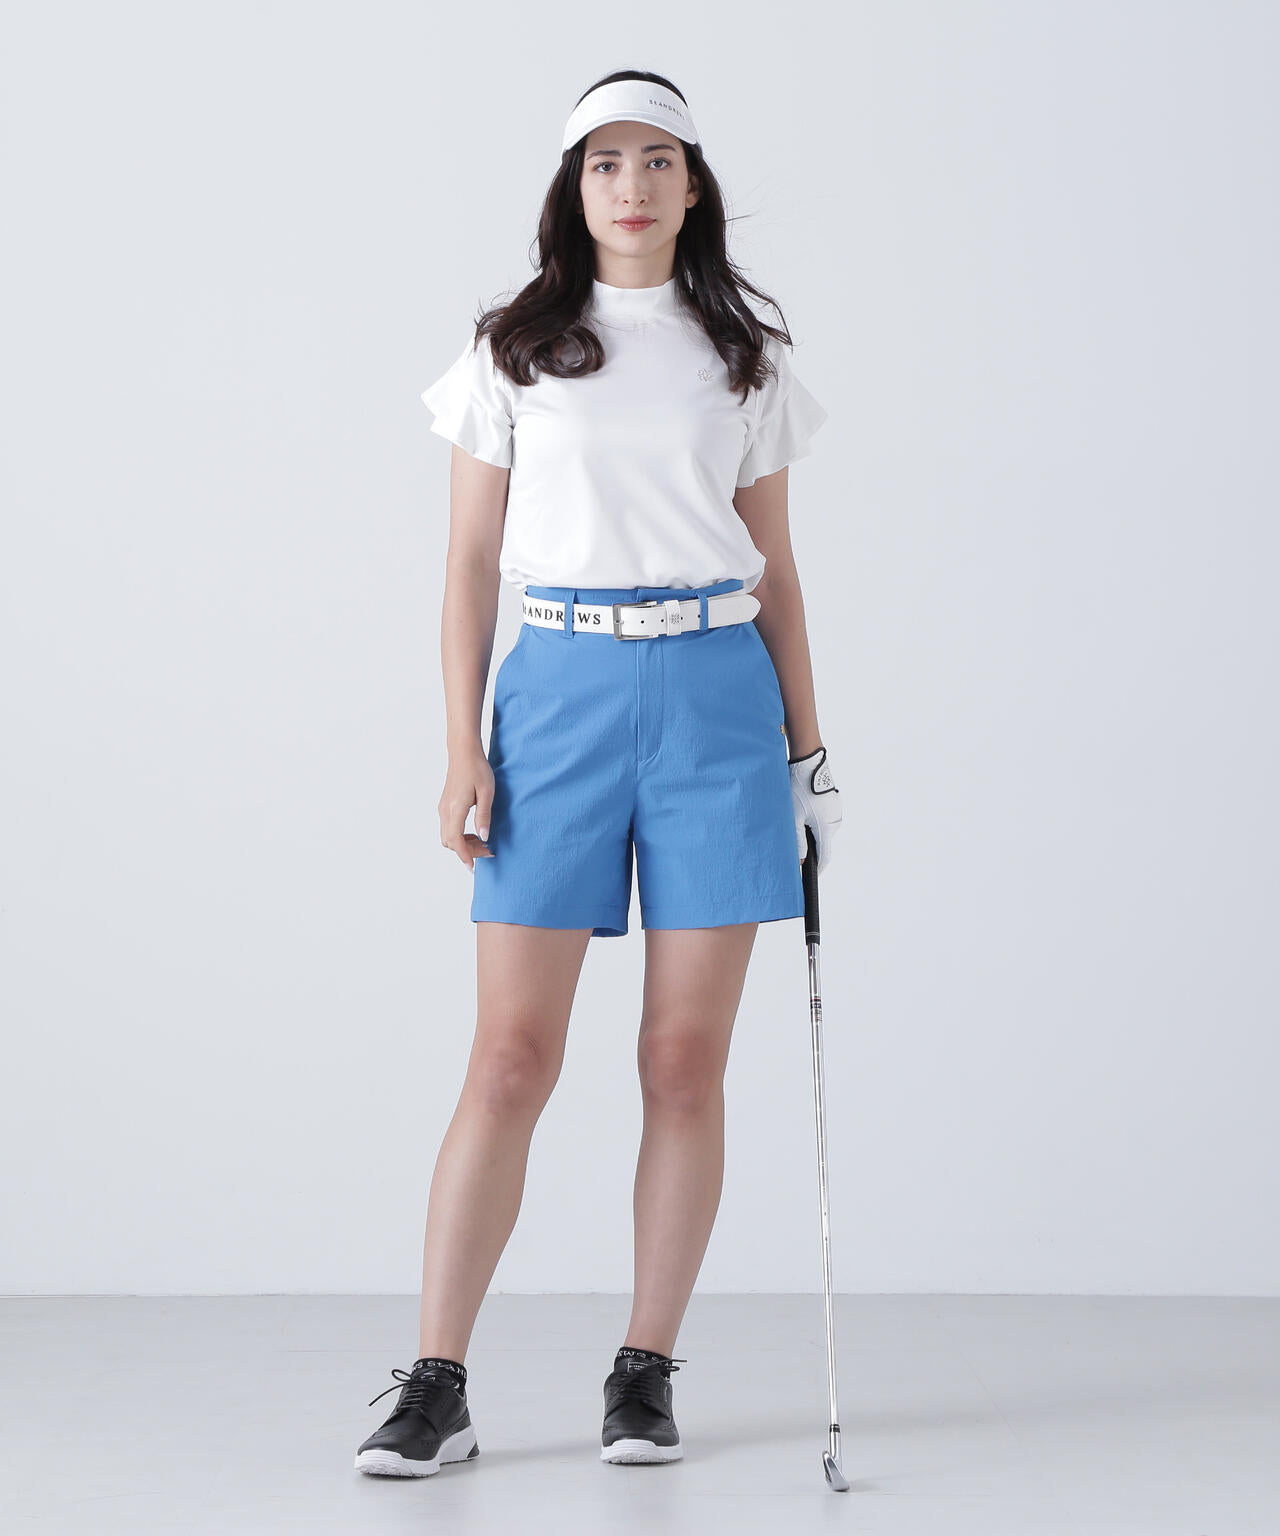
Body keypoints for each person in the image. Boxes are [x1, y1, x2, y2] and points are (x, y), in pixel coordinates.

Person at [355, 69, 844, 1479]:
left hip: (715, 703)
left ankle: (645, 1369)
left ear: (693, 186)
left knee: (683, 1058)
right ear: (573, 189)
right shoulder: (513, 349)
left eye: (657, 161)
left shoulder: (742, 353)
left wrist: (810, 755)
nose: (631, 186)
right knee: (511, 1057)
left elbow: (779, 574)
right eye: (603, 163)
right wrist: (463, 746)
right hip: (556, 699)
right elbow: (467, 564)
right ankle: (437, 1383)